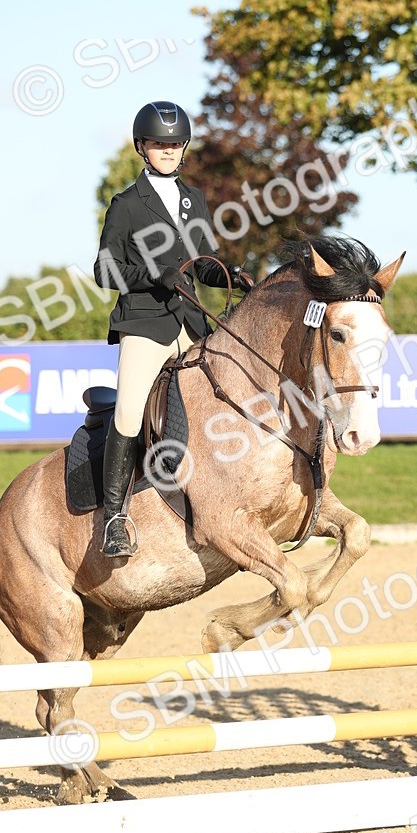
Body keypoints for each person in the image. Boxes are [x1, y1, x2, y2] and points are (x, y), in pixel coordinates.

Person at [93, 100, 253, 558]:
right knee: (127, 412)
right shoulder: (125, 205)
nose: (168, 150)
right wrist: (151, 277)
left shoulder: (193, 200)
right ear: (143, 147)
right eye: (160, 144)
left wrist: (231, 276)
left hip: (191, 323)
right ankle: (116, 520)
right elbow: (106, 270)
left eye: (175, 144)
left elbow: (201, 264)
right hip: (144, 323)